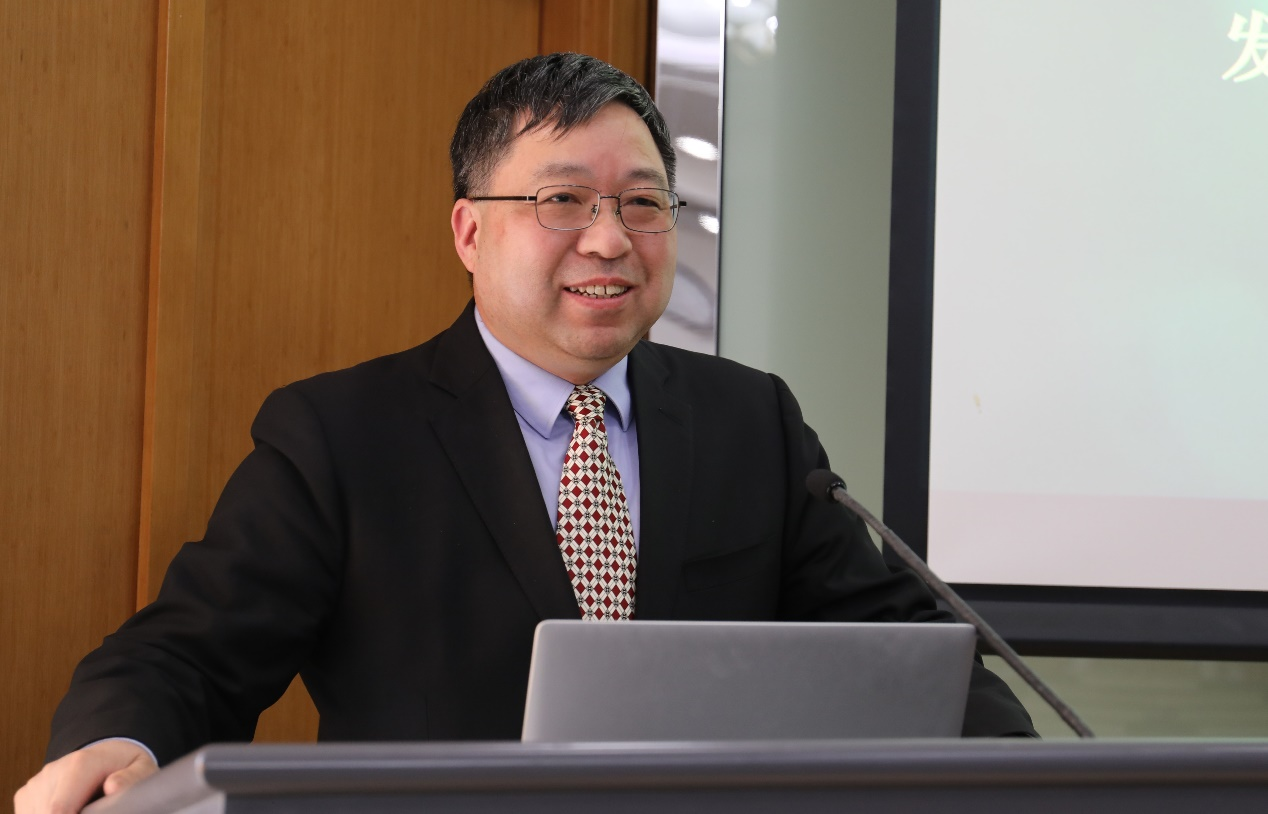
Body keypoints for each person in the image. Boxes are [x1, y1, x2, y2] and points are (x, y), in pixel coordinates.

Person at [16, 52, 1035, 813]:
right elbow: (189, 654)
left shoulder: (750, 422)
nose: (610, 238)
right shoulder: (342, 435)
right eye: (563, 200)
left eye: (643, 203)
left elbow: (909, 654)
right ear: (470, 231)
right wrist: (122, 742)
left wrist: (1024, 775)